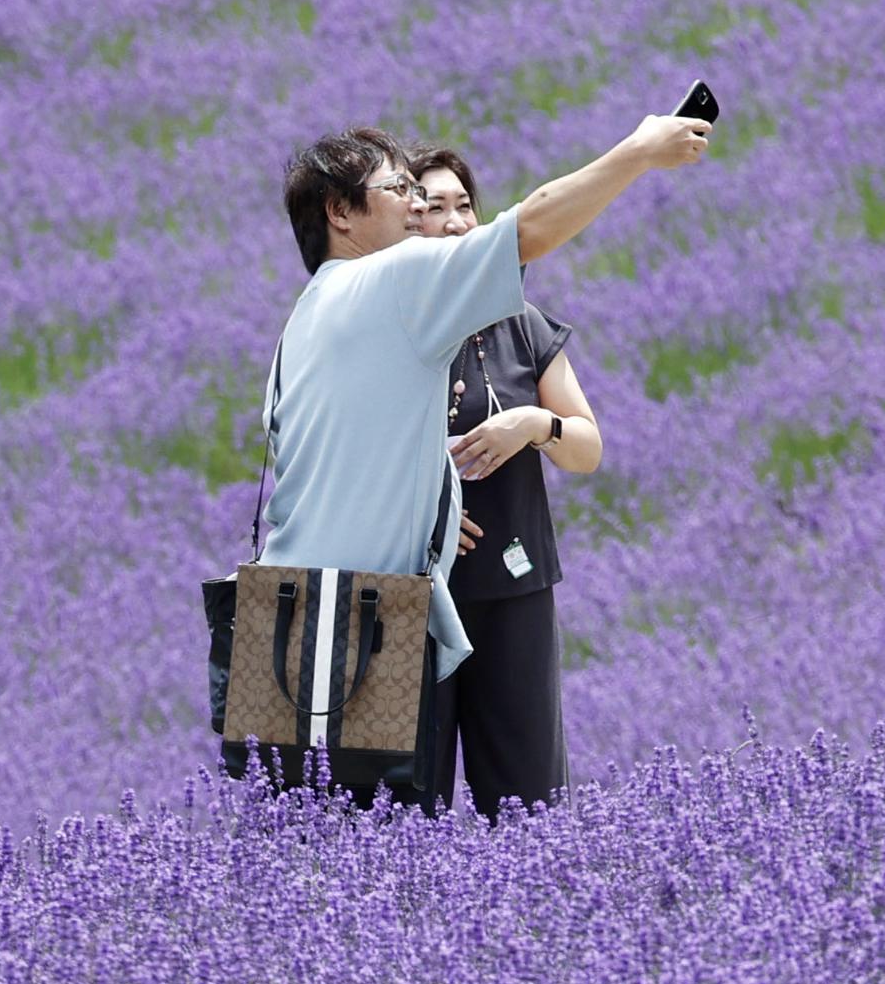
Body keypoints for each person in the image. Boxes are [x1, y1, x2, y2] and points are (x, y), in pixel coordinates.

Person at [251, 110, 704, 809]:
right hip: (373, 621)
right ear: (341, 213)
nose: (418, 206)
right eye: (400, 189)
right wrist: (639, 151)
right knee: (391, 865)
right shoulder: (393, 281)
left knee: (326, 868)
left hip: (294, 623)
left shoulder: (299, 324)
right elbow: (530, 230)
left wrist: (438, 497)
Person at [389, 143, 603, 818]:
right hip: (411, 592)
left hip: (514, 593)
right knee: (401, 811)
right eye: (433, 208)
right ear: (405, 224)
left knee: (528, 802)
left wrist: (535, 425)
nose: (454, 222)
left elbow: (587, 449)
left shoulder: (523, 326)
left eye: (464, 206)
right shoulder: (388, 331)